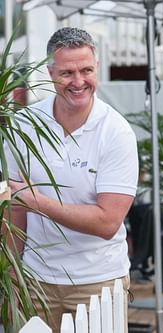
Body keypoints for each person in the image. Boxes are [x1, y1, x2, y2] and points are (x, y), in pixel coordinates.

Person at [6, 27, 138, 331]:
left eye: (86, 70)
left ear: (97, 69)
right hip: (35, 280)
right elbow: (15, 209)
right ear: (50, 73)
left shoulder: (116, 133)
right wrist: (11, 275)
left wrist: (36, 201)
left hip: (98, 282)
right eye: (67, 72)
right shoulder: (25, 125)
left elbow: (107, 223)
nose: (79, 82)